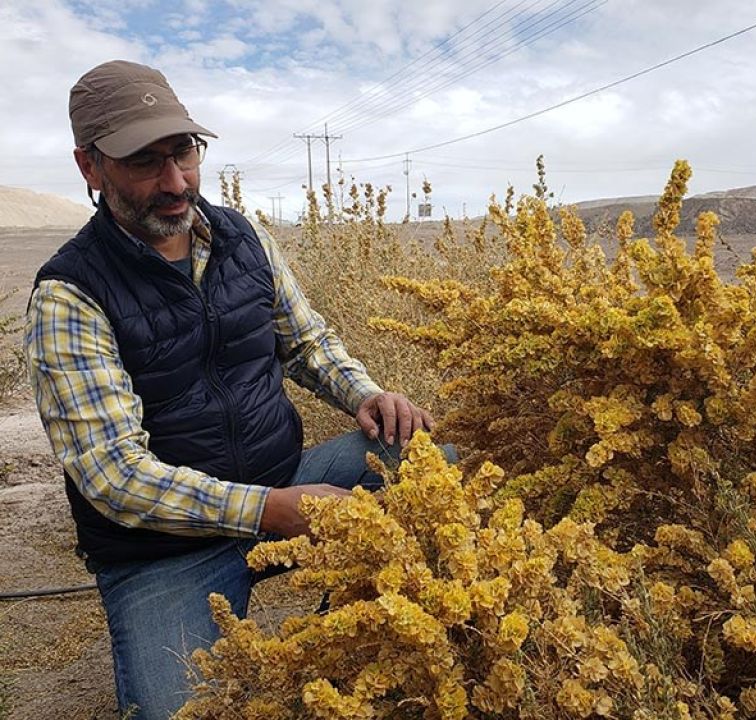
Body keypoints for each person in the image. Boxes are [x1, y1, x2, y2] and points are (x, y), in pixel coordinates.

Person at [24, 59, 443, 719]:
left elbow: (306, 341)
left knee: (427, 467)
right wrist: (272, 511)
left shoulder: (243, 237)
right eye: (143, 161)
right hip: (162, 551)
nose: (175, 182)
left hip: (285, 481)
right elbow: (115, 476)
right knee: (180, 712)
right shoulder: (69, 296)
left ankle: (351, 641)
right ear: (90, 167)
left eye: (184, 152)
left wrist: (364, 395)